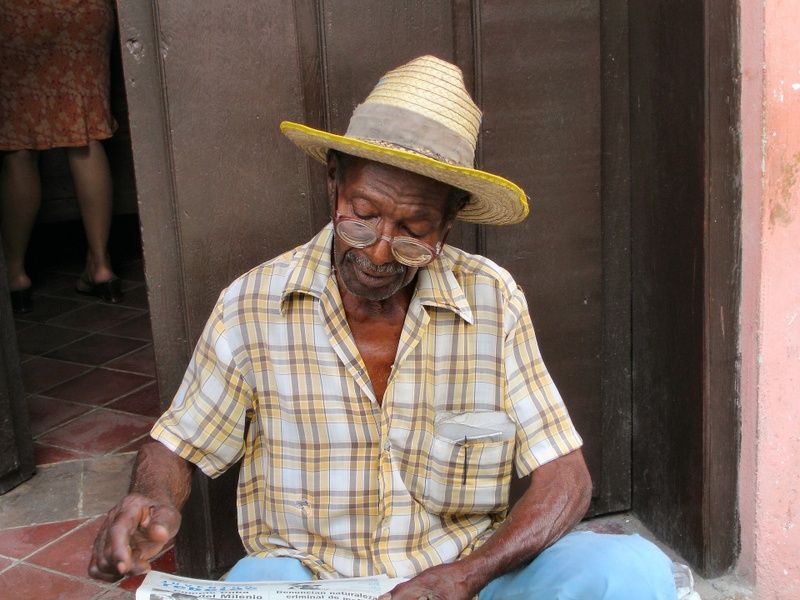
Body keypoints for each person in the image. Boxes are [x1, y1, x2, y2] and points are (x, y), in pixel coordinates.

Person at [89, 56, 677, 599]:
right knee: (257, 583)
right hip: (316, 582)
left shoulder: (491, 299)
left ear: (448, 223)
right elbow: (178, 443)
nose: (379, 254)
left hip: (460, 581)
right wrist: (151, 497)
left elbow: (564, 474)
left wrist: (464, 577)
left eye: (415, 230)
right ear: (334, 184)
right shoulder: (254, 303)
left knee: (630, 571)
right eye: (363, 218)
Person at [0, 0, 123, 313]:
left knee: (19, 144)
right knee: (86, 134)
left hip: (18, 14)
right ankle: (100, 266)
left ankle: (14, 275)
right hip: (81, 12)